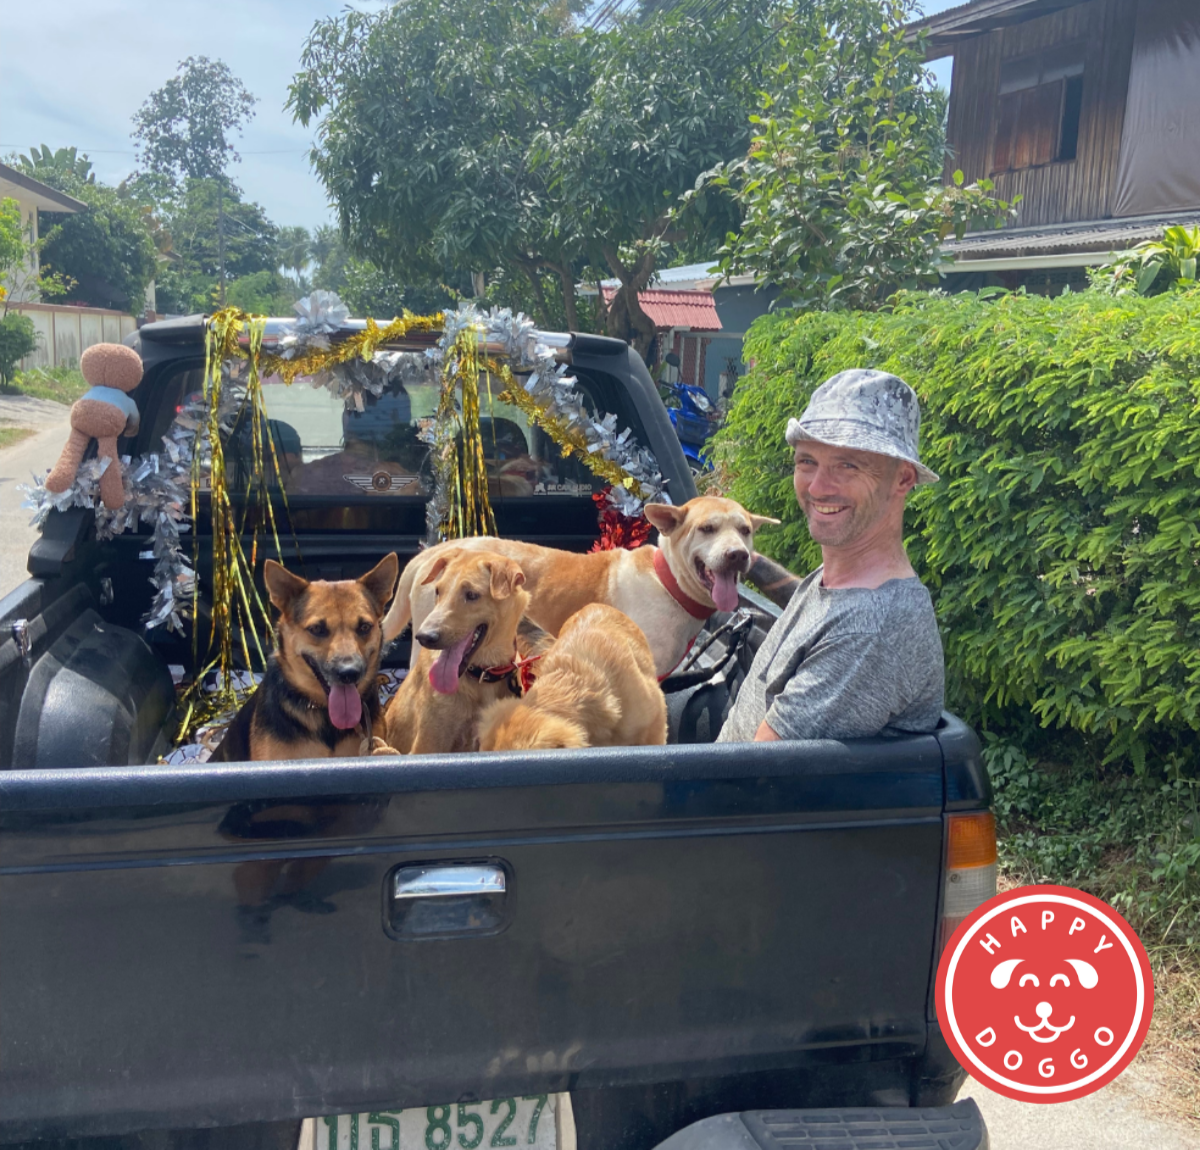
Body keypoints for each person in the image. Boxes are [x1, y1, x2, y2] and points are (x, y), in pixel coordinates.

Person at [717, 369, 945, 743]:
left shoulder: (871, 628)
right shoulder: (836, 581)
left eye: (847, 465)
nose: (818, 487)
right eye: (807, 461)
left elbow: (756, 779)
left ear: (903, 479)